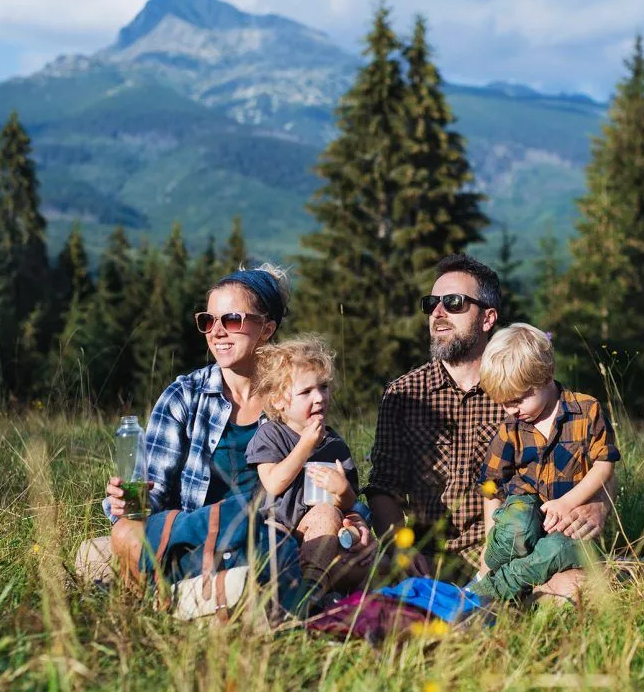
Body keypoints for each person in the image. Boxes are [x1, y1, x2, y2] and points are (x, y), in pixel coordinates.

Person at [73, 265, 372, 583]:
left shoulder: (295, 401)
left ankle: (218, 592)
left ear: (267, 328)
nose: (216, 331)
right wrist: (126, 501)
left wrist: (354, 517)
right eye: (208, 321)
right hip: (197, 541)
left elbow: (326, 487)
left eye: (232, 320)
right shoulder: (184, 396)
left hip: (277, 540)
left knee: (365, 557)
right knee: (95, 553)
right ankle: (240, 590)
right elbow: (151, 493)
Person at [364, 254, 614, 602]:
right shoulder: (403, 394)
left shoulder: (525, 389)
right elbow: (382, 488)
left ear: (488, 317)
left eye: (453, 303)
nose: (438, 312)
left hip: (513, 554)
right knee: (352, 582)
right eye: (431, 304)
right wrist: (402, 549)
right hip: (424, 556)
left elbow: (589, 455)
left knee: (577, 591)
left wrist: (599, 506)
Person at [467, 323, 620, 602]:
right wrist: (491, 541)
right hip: (524, 513)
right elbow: (491, 486)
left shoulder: (586, 411)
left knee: (557, 551)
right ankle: (485, 574)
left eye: (519, 400)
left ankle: (495, 588)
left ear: (546, 376)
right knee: (517, 527)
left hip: (566, 523)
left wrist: (568, 503)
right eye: (503, 403)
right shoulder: (510, 427)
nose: (511, 410)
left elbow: (604, 465)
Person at [246, 335, 368, 609]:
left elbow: (348, 503)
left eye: (323, 387)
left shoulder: (334, 443)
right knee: (266, 543)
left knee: (328, 514)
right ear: (279, 401)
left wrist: (342, 491)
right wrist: (305, 446)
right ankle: (288, 596)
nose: (319, 398)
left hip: (319, 534)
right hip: (276, 525)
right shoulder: (270, 435)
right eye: (306, 392)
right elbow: (274, 483)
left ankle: (311, 592)